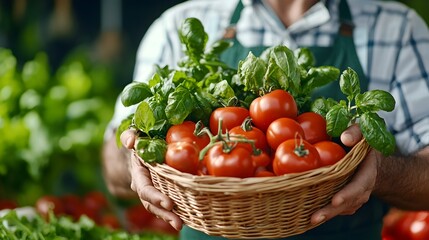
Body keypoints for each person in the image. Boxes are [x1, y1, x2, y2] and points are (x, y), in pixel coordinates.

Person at [102, 0, 429, 239]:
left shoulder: (397, 29)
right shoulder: (178, 24)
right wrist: (136, 156)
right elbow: (115, 161)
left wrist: (379, 171)